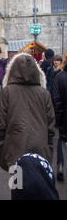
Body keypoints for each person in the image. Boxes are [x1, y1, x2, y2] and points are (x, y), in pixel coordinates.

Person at [0, 53, 55, 177]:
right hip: (40, 149)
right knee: (37, 186)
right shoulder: (44, 94)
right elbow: (51, 125)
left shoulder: (8, 92)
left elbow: (1, 124)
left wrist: (0, 146)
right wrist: (49, 148)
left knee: (18, 186)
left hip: (15, 148)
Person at [51, 53, 67, 181]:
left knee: (61, 141)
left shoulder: (60, 76)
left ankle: (60, 165)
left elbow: (56, 99)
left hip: (64, 116)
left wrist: (59, 117)